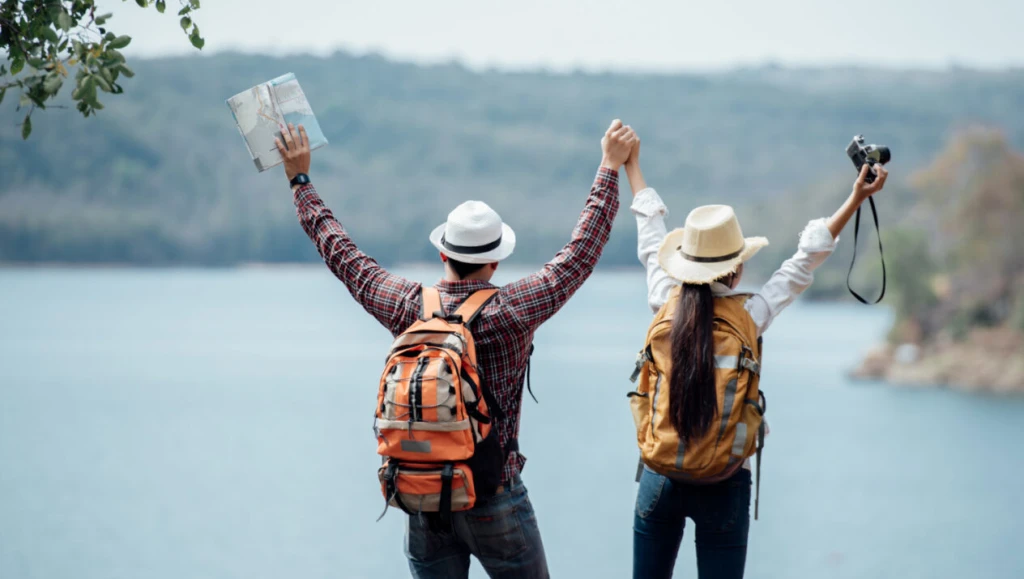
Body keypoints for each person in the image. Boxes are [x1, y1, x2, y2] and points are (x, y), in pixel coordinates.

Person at [274, 120, 638, 578]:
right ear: (495, 259)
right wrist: (609, 166)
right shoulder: (511, 311)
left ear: (443, 255)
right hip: (494, 495)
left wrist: (300, 180)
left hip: (424, 497)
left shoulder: (408, 307)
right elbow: (580, 253)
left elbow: (343, 255)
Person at [624, 138, 889, 579]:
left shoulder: (663, 300)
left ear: (685, 263)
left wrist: (631, 166)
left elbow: (650, 236)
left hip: (660, 473)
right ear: (737, 268)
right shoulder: (749, 314)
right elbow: (804, 262)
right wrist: (857, 197)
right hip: (724, 481)